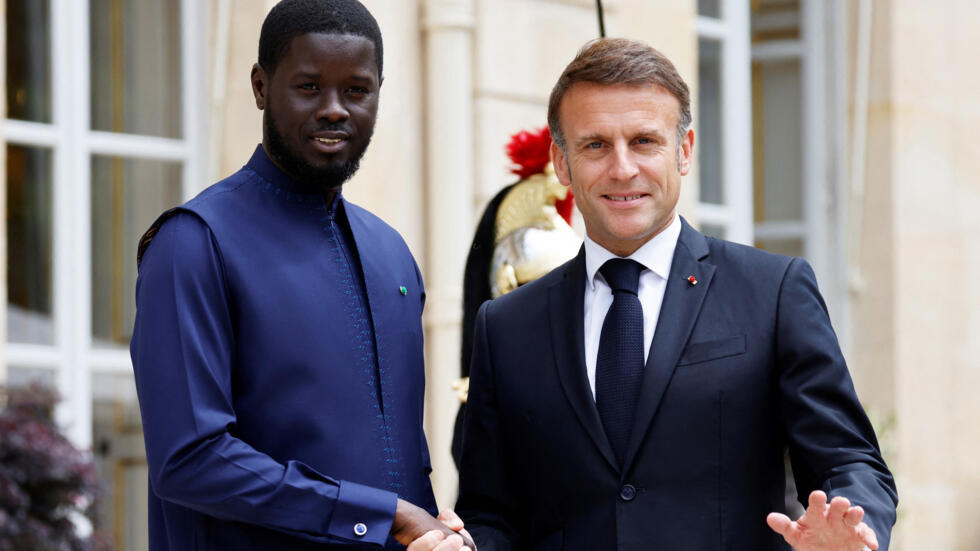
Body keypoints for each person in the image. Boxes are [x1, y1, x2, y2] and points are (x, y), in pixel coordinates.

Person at [455, 38, 898, 550]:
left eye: (645, 141)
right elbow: (489, 512)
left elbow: (847, 458)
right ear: (561, 161)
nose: (622, 169)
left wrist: (854, 530)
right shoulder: (506, 325)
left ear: (684, 151)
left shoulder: (773, 291)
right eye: (595, 144)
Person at [131, 1, 472, 549]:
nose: (335, 110)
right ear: (262, 87)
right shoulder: (192, 243)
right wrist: (386, 516)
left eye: (357, 90)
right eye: (309, 87)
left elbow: (401, 463)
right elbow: (189, 459)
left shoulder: (392, 254)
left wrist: (433, 529)